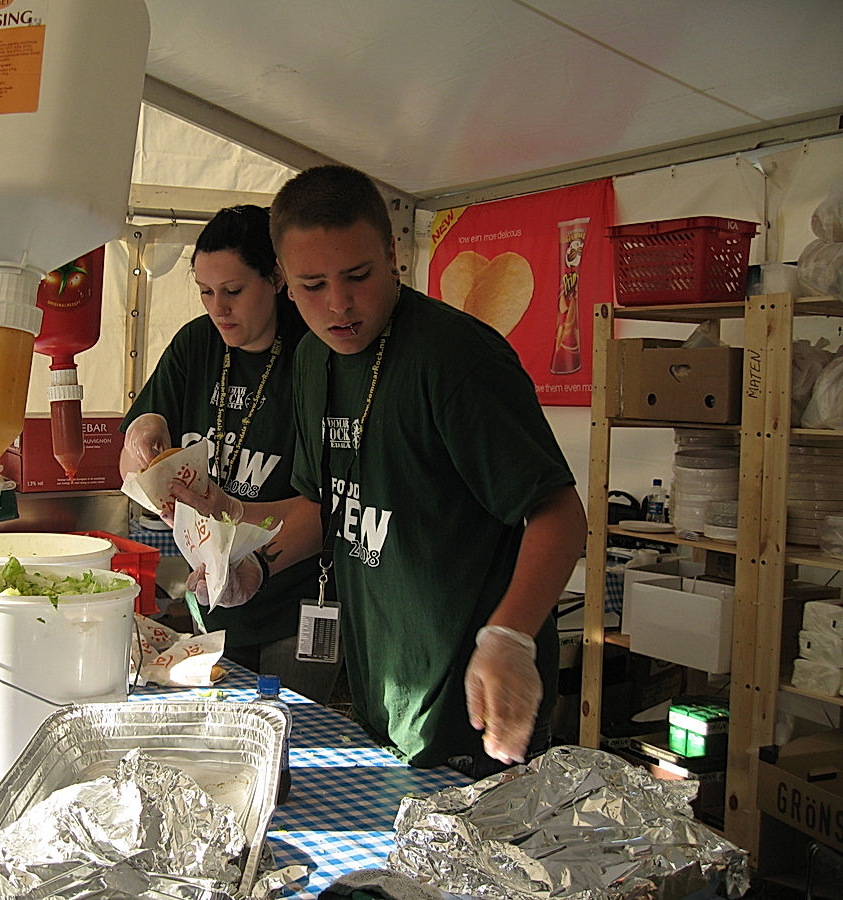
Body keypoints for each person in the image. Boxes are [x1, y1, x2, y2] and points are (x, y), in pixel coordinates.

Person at [175, 166, 586, 778]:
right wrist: (254, 559)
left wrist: (512, 636)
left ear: (393, 255)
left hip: (475, 702)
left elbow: (558, 513)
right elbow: (320, 507)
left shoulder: (454, 360)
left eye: (359, 276)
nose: (338, 304)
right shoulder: (314, 361)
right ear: (285, 280)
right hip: (385, 694)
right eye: (313, 284)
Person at [120, 204, 341, 704]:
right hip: (212, 600)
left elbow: (330, 508)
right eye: (205, 291)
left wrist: (251, 552)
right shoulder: (198, 343)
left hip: (293, 600)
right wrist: (144, 435)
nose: (218, 308)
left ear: (277, 278)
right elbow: (135, 450)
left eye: (234, 292)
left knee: (293, 740)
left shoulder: (313, 355)